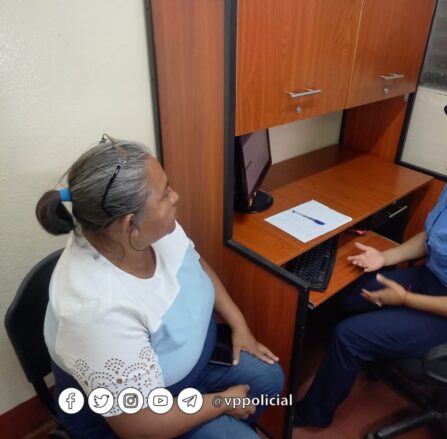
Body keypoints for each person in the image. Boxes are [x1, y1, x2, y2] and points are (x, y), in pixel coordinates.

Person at [295, 100, 447, 428]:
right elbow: (433, 236)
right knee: (349, 296)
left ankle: (312, 414)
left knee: (349, 335)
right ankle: (371, 350)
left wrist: (404, 300)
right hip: (433, 281)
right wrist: (385, 257)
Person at [36, 135, 284, 438]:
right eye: (165, 193)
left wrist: (238, 323)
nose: (175, 197)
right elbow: (141, 426)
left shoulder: (149, 230)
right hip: (148, 414)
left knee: (269, 379)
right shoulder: (94, 312)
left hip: (193, 368)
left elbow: (194, 266)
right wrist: (222, 402)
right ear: (131, 224)